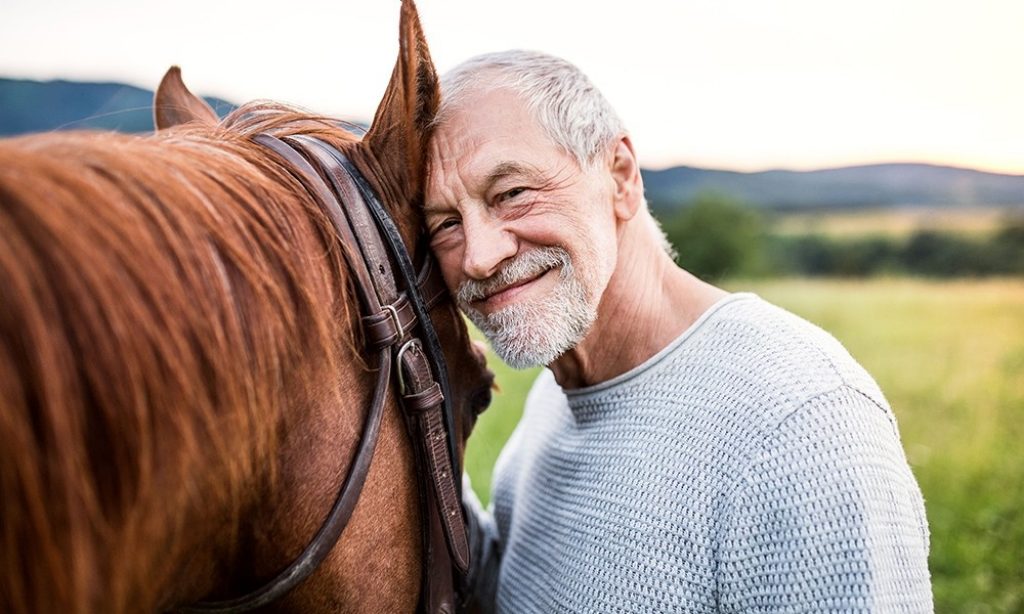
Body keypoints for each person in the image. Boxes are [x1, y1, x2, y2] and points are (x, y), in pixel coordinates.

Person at [424, 50, 932, 613]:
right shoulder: (560, 392)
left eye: (512, 193)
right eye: (445, 224)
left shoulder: (799, 423)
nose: (479, 257)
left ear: (620, 177)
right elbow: (524, 596)